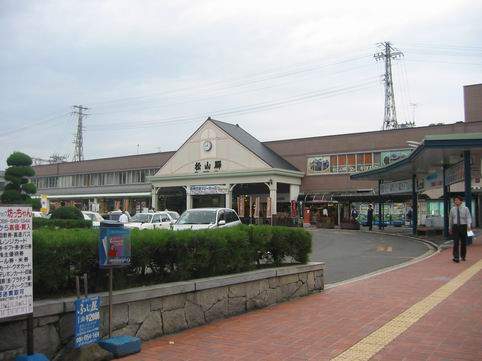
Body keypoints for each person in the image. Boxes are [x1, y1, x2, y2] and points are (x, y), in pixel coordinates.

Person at [449, 195, 472, 263]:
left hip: (464, 226)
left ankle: (463, 256)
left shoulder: (466, 208)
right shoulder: (452, 209)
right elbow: (450, 219)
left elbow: (468, 217)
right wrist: (450, 228)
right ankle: (456, 257)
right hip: (455, 227)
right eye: (455, 200)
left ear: (461, 201)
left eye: (458, 200)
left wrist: (469, 226)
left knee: (463, 242)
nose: (456, 201)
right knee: (455, 242)